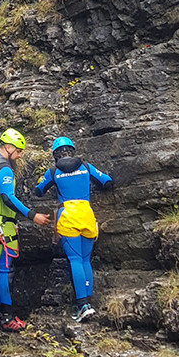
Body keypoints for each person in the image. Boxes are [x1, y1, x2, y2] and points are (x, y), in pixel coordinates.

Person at [0, 128, 50, 331]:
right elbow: (8, 198)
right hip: (3, 225)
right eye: (18, 151)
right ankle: (7, 318)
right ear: (8, 147)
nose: (19, 155)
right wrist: (31, 215)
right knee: (5, 270)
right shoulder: (4, 169)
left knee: (0, 269)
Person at [35, 136, 114, 322]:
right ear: (72, 150)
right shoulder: (86, 167)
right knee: (86, 260)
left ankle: (82, 305)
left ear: (55, 155)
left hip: (67, 217)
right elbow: (107, 182)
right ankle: (89, 304)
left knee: (75, 260)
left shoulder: (53, 171)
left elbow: (38, 190)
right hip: (86, 215)